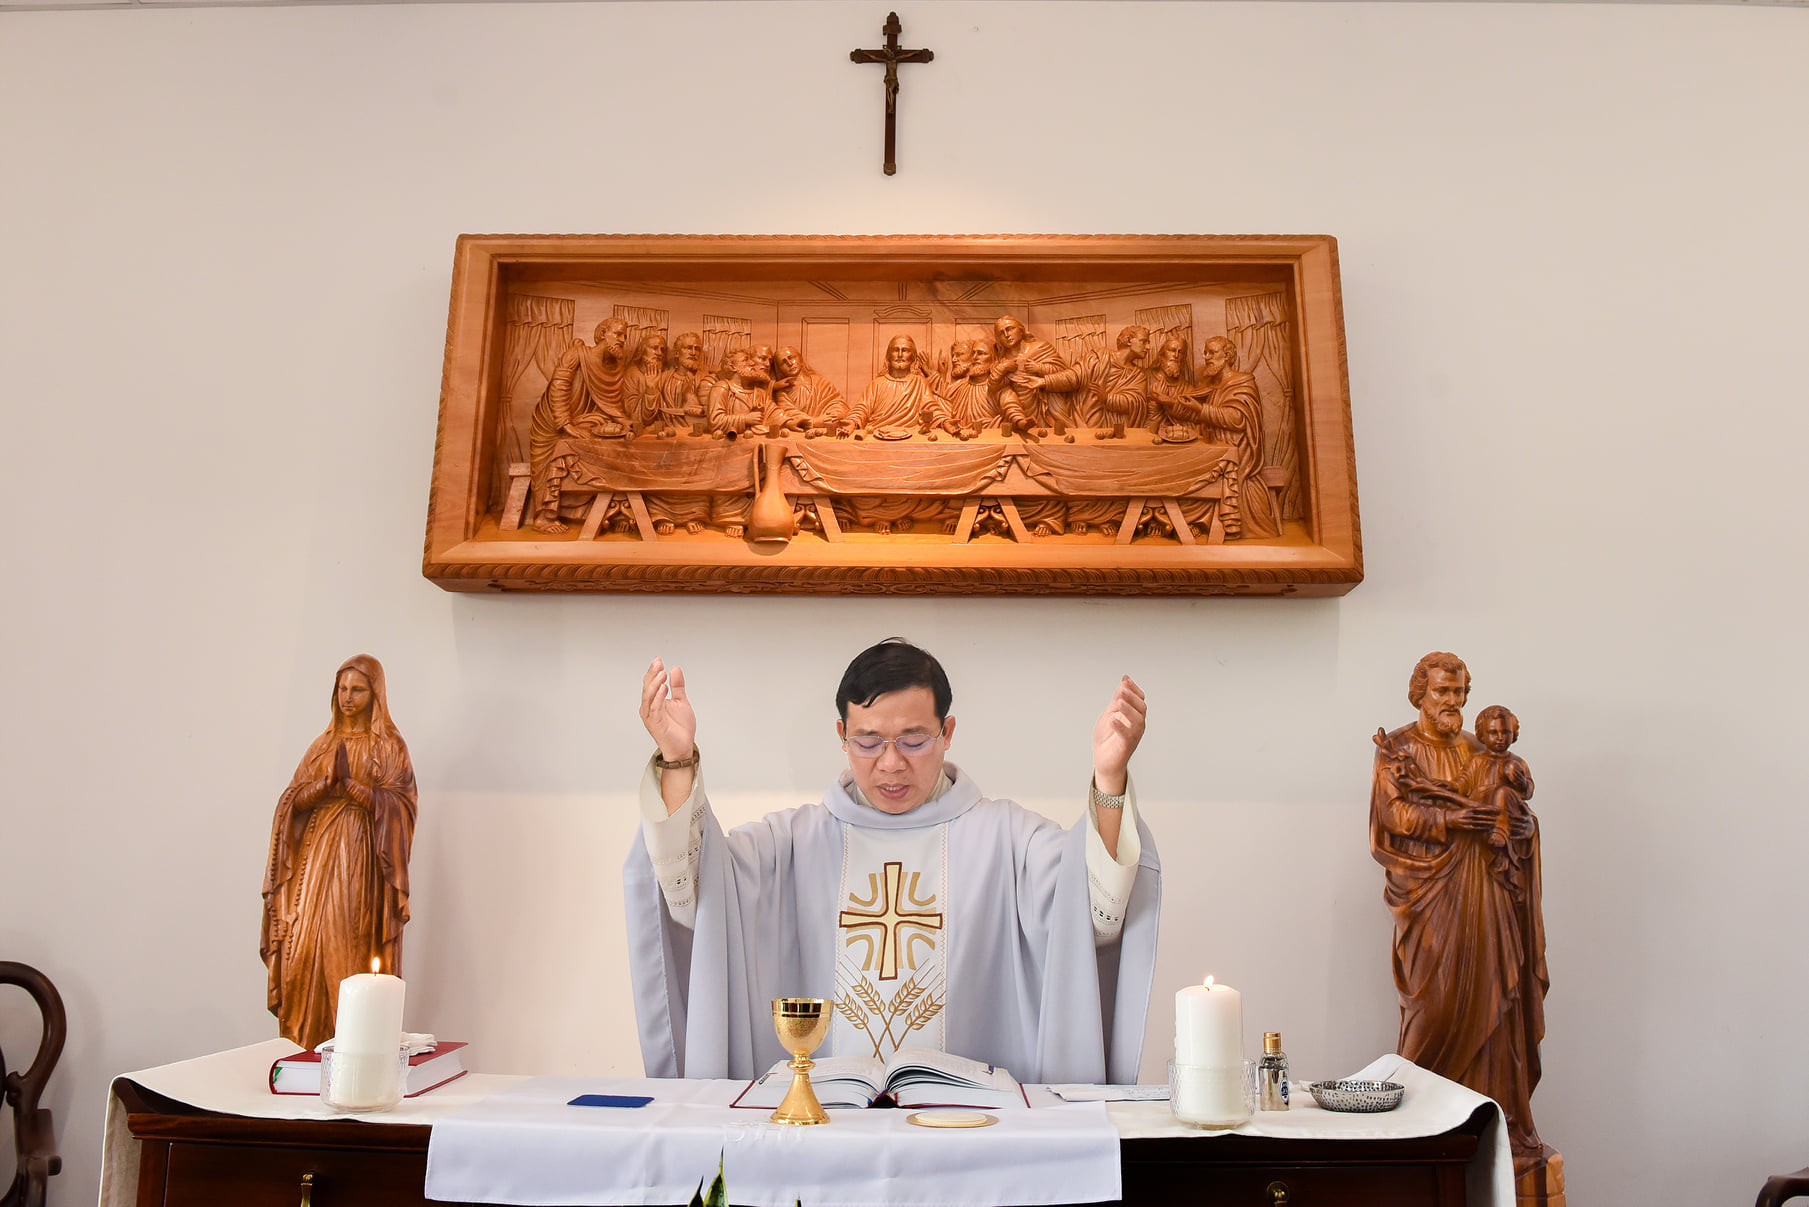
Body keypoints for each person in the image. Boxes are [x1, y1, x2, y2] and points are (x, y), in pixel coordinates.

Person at [625, 640, 1161, 1083]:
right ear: (842, 735)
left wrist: (1109, 778)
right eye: (868, 741)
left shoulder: (1008, 840)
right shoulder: (790, 844)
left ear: (947, 732)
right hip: (826, 1128)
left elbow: (1093, 913)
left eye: (913, 739)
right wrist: (678, 759)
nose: (890, 763)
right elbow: (696, 893)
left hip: (972, 1131)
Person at [1370, 653, 1548, 1174]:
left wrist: (1524, 830)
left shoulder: (1478, 748)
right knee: (1436, 1004)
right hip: (1430, 894)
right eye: (1442, 692)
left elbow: (1517, 810)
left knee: (1497, 996)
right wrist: (1452, 819)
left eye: (1458, 692)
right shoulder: (1398, 749)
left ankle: (1496, 1121)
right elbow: (1392, 815)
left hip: (1486, 893)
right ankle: (1422, 1121)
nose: (1452, 701)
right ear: (1420, 695)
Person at [261, 655, 418, 1051]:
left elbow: (402, 805)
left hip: (359, 857)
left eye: (358, 690)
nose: (348, 697)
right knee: (301, 945)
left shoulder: (388, 747)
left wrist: (355, 790)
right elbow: (291, 803)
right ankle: (303, 1042)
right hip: (314, 856)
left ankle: (346, 1048)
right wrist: (322, 788)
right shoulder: (322, 746)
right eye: (343, 689)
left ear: (375, 694)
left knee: (346, 944)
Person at [850, 335, 939, 432]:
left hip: (910, 434)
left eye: (905, 350)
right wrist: (852, 421)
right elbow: (862, 407)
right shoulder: (877, 384)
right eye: (895, 350)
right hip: (878, 433)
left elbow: (931, 407)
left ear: (913, 357)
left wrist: (944, 421)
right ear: (889, 356)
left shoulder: (919, 383)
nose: (900, 355)